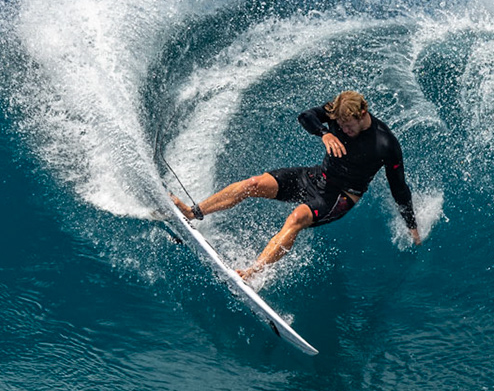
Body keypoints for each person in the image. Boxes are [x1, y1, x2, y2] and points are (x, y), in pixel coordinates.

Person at [172, 90, 420, 279]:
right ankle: (193, 212)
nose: (343, 129)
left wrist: (412, 229)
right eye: (340, 125)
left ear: (363, 114)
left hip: (341, 196)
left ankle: (251, 274)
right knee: (254, 183)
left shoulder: (385, 144)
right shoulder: (337, 112)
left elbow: (399, 188)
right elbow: (306, 116)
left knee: (296, 218)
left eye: (348, 126)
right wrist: (325, 132)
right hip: (316, 177)